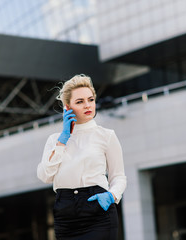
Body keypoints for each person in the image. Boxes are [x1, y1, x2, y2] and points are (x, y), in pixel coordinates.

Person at [37, 74, 127, 240]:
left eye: (90, 99)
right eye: (80, 102)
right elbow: (45, 176)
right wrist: (62, 140)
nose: (87, 105)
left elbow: (119, 177)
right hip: (66, 214)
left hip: (98, 210)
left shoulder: (106, 136)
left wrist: (111, 196)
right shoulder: (55, 140)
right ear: (67, 107)